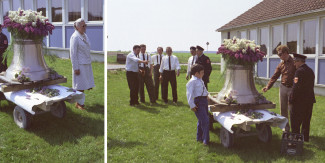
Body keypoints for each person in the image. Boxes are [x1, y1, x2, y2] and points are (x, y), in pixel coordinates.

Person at [262, 45, 296, 132]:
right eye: (278, 55)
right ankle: (286, 128)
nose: (279, 56)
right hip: (283, 88)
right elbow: (274, 77)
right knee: (283, 109)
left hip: (293, 89)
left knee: (292, 109)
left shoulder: (295, 62)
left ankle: (295, 129)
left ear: (285, 53)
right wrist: (267, 87)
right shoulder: (281, 64)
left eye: (280, 54)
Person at [70, 18, 95, 110]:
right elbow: (73, 54)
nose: (85, 27)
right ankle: (79, 104)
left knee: (84, 85)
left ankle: (80, 103)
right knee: (80, 86)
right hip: (80, 64)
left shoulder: (84, 35)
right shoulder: (75, 37)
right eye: (83, 26)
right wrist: (75, 67)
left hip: (86, 63)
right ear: (77, 27)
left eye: (85, 25)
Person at [289, 53, 316, 142]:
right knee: (306, 120)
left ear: (299, 61)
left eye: (295, 62)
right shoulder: (310, 70)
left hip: (299, 101)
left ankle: (295, 138)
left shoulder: (299, 71)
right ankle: (305, 138)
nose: (294, 64)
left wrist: (291, 99)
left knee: (295, 121)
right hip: (309, 99)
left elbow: (296, 87)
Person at [186, 64, 209, 146]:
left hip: (204, 101)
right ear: (196, 73)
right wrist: (192, 105)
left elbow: (204, 89)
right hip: (198, 102)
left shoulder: (200, 79)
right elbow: (189, 94)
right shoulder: (192, 82)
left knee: (201, 120)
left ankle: (199, 137)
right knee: (205, 121)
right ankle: (205, 140)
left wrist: (207, 95)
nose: (203, 74)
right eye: (202, 72)